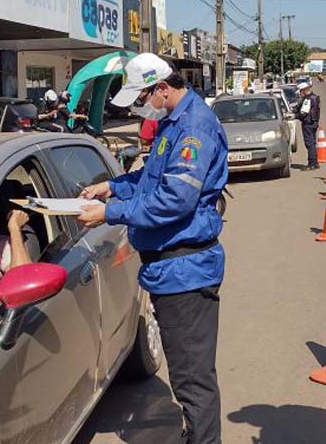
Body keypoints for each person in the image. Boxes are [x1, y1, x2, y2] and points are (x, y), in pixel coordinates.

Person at [76, 53, 228, 444]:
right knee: (186, 375)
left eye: (143, 98)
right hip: (169, 270)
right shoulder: (172, 125)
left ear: (162, 88)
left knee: (193, 380)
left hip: (185, 270)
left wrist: (110, 212)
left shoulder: (193, 128)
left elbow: (175, 199)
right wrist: (114, 186)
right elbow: (152, 177)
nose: (142, 107)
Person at [295, 81, 321, 170]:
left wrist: (295, 116)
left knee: (309, 144)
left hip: (308, 123)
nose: (300, 94)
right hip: (314, 122)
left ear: (304, 90)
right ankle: (315, 162)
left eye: (301, 91)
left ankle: (312, 163)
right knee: (313, 143)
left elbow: (304, 113)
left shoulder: (308, 99)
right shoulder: (315, 97)